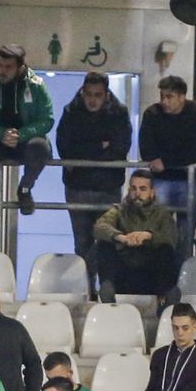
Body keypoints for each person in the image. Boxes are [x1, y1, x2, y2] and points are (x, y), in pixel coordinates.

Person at [56, 71, 133, 269]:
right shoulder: (71, 111)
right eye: (89, 94)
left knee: (107, 241)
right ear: (83, 92)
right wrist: (100, 146)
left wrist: (83, 151)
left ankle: (104, 285)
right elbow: (65, 148)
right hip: (78, 187)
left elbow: (120, 148)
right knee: (82, 243)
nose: (92, 100)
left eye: (97, 95)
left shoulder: (119, 113)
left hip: (106, 187)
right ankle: (88, 288)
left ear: (106, 95)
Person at [0, 45, 54, 216]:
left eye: (8, 67)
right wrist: (0, 133)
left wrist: (22, 134)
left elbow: (47, 119)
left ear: (21, 68)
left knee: (41, 147)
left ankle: (25, 189)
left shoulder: (36, 86)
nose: (2, 71)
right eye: (0, 65)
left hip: (24, 141)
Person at [139, 75, 196, 261]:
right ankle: (161, 275)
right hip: (169, 179)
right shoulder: (152, 114)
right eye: (162, 96)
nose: (164, 101)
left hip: (188, 180)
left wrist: (165, 161)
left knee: (185, 235)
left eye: (169, 96)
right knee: (158, 230)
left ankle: (179, 278)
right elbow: (146, 149)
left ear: (182, 97)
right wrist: (176, 159)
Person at [91, 170, 181, 306]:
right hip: (124, 273)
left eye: (143, 189)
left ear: (152, 192)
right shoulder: (119, 210)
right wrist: (121, 237)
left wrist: (148, 236)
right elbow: (100, 227)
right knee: (103, 245)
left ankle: (166, 296)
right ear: (129, 190)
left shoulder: (162, 214)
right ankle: (107, 289)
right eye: (134, 188)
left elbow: (171, 237)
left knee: (166, 249)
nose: (137, 193)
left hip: (151, 275)